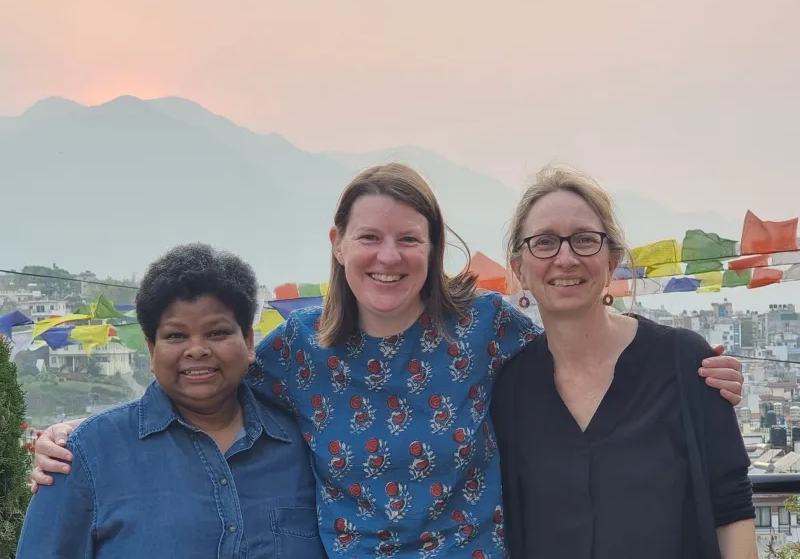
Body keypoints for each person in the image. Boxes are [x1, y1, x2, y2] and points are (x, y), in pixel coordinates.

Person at [29, 164, 744, 558]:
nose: (389, 257)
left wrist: (689, 364)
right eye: (370, 237)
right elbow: (202, 377)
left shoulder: (487, 329)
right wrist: (74, 442)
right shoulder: (295, 353)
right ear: (338, 244)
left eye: (410, 238)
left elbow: (583, 337)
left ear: (434, 250)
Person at [492, 165, 757, 558]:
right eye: (545, 242)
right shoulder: (510, 387)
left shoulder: (685, 363)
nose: (565, 258)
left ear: (612, 259)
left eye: (584, 240)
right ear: (520, 269)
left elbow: (731, 506)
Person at [17, 244, 326, 558]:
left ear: (248, 342)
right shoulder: (84, 454)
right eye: (176, 336)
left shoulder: (307, 446)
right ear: (151, 350)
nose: (197, 349)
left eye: (217, 333)